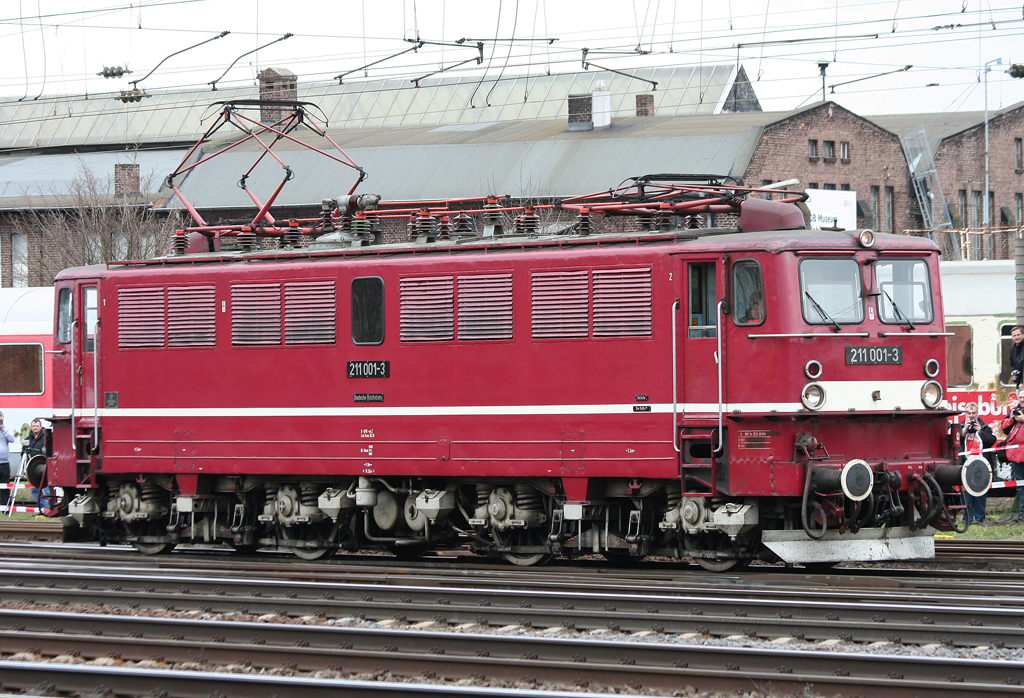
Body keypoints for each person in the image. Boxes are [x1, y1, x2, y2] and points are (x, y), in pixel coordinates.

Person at [959, 402, 996, 523]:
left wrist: (980, 431)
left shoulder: (984, 426)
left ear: (977, 413)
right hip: (966, 463)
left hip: (981, 464)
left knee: (980, 491)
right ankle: (967, 518)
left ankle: (980, 518)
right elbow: (954, 441)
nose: (971, 416)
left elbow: (991, 441)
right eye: (968, 413)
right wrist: (964, 430)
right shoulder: (960, 426)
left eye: (973, 413)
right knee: (966, 493)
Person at [1003, 393, 1024, 522]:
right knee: (1021, 486)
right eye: (1020, 398)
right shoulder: (1016, 410)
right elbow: (1004, 428)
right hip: (1016, 456)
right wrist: (1011, 418)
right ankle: (1023, 513)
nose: (1022, 400)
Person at [23, 418, 49, 512]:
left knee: (45, 490)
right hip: (33, 469)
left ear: (40, 427)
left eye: (37, 426)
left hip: (44, 467)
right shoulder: (28, 439)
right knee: (35, 490)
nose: (35, 428)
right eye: (33, 426)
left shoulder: (46, 438)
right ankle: (40, 509)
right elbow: (23, 452)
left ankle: (47, 509)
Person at [0, 413, 11, 508]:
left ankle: (5, 508)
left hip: (4, 464)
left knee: (5, 487)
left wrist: (3, 430)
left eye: (1, 421)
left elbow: (12, 439)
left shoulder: (5, 431)